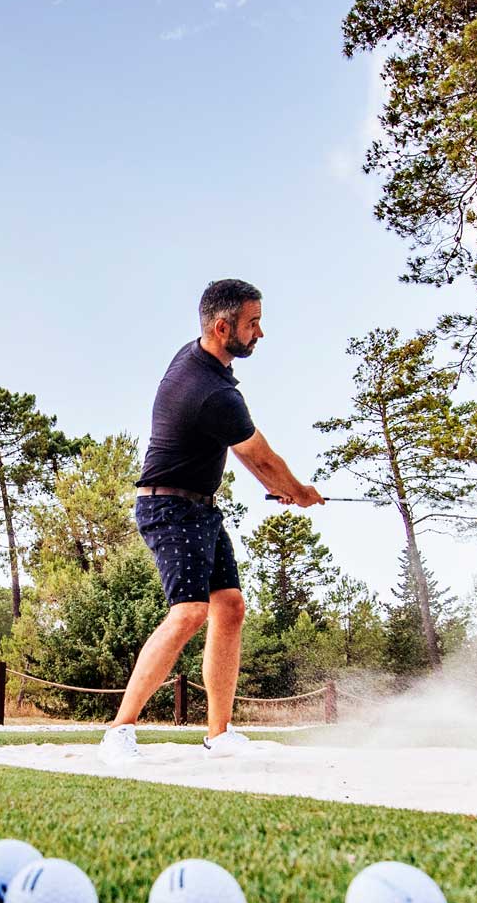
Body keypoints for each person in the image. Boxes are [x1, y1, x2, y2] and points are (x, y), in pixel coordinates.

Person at [99, 279, 321, 766]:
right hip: (169, 507)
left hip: (199, 506)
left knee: (231, 607)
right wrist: (299, 492)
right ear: (223, 328)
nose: (260, 333)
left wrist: (281, 484)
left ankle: (219, 733)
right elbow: (259, 457)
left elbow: (246, 451)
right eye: (252, 323)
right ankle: (119, 729)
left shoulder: (201, 358)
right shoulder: (210, 390)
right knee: (190, 613)